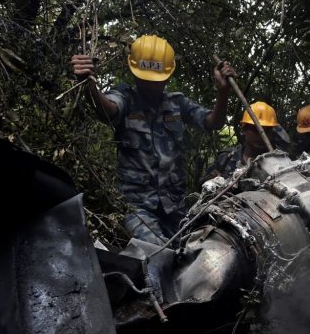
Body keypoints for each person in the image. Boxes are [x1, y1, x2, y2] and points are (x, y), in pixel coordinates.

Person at [71, 35, 231, 245]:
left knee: (194, 249)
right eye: (145, 80)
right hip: (137, 207)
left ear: (167, 75)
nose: (152, 87)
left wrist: (223, 92)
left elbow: (213, 122)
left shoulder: (177, 103)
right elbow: (108, 110)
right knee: (157, 250)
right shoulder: (126, 98)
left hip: (175, 207)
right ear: (134, 73)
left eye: (157, 81)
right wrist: (90, 85)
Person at [208, 102, 283, 176]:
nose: (261, 134)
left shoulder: (280, 161)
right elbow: (203, 182)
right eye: (255, 129)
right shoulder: (226, 159)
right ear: (243, 130)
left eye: (267, 130)